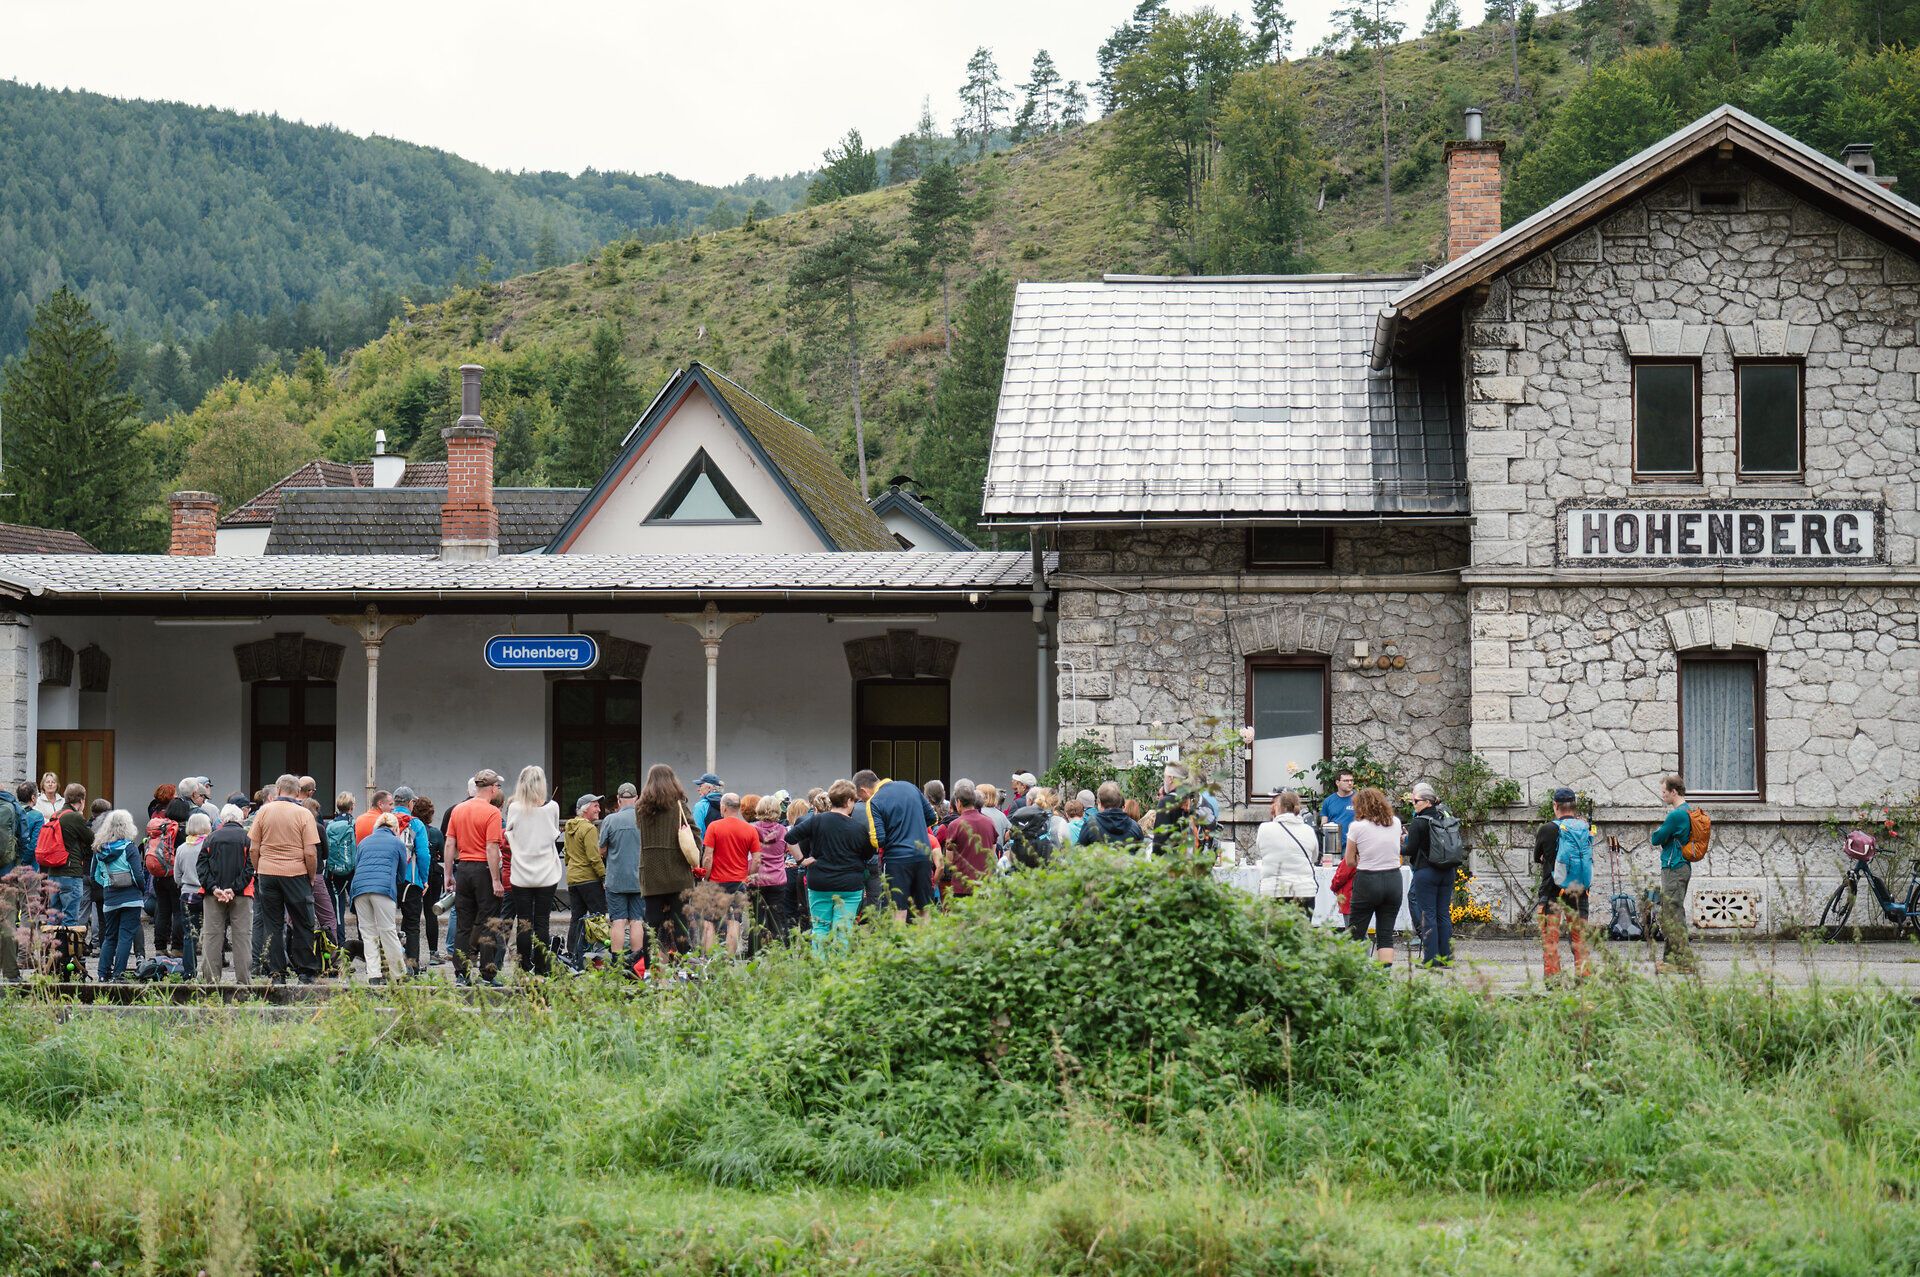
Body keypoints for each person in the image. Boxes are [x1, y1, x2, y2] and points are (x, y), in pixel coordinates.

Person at [251, 774, 322, 983]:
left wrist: (259, 869)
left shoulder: (263, 812)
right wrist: (311, 876)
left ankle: (277, 973)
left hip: (267, 873)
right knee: (303, 922)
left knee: (272, 924)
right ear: (298, 791)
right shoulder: (304, 814)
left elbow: (254, 848)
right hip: (296, 873)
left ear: (278, 789)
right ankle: (305, 971)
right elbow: (310, 852)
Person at [789, 780, 873, 954]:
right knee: (843, 930)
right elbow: (867, 855)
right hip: (849, 886)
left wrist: (801, 860)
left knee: (820, 928)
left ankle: (820, 967)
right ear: (848, 801)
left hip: (819, 882)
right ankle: (839, 967)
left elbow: (790, 838)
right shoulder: (858, 828)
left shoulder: (816, 821)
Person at [854, 769, 939, 922]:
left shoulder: (874, 801)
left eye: (861, 798)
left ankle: (898, 938)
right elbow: (933, 818)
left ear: (863, 790)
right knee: (924, 909)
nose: (863, 800)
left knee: (898, 910)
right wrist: (913, 828)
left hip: (896, 860)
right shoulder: (910, 787)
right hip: (923, 855)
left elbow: (878, 840)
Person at [447, 768, 507, 985]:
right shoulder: (492, 812)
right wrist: (496, 879)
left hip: (463, 868)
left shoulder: (458, 809)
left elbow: (450, 843)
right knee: (489, 923)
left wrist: (448, 874)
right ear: (492, 788)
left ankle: (461, 974)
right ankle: (487, 974)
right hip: (483, 870)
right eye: (497, 786)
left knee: (463, 925)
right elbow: (491, 847)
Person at [503, 765, 563, 977]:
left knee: (524, 922)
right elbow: (553, 833)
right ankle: (542, 968)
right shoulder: (553, 807)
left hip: (521, 872)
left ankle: (523, 968)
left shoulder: (515, 808)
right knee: (542, 921)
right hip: (547, 873)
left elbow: (509, 833)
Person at [635, 768, 696, 964]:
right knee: (680, 922)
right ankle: (683, 964)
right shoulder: (679, 806)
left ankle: (649, 966)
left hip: (651, 873)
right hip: (678, 873)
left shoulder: (641, 808)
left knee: (651, 922)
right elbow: (695, 833)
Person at [1535, 787, 1593, 982]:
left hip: (1552, 891)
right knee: (1580, 939)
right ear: (1574, 806)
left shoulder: (1547, 829)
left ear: (1555, 805)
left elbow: (1537, 857)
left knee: (1550, 939)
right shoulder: (1584, 828)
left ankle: (1554, 983)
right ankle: (1584, 981)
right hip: (1579, 890)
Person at [1343, 786, 1404, 966]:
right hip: (1393, 879)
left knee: (1356, 932)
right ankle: (1384, 976)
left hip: (1368, 879)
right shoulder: (1395, 822)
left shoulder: (1357, 827)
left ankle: (1355, 973)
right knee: (1385, 934)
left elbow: (1349, 860)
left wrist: (1361, 858)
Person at [1402, 782, 1460, 969]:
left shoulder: (1419, 822)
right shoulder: (1445, 816)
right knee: (1443, 914)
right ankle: (1446, 958)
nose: (1414, 804)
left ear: (1427, 802)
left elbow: (1410, 850)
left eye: (1416, 801)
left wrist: (1397, 844)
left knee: (1428, 915)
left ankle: (1431, 960)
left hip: (1426, 872)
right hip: (1447, 871)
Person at [350, 811, 409, 985]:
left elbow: (357, 865)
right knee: (388, 931)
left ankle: (373, 976)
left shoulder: (364, 842)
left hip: (359, 889)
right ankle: (398, 974)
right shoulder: (397, 843)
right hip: (382, 889)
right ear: (395, 828)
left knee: (368, 934)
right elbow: (401, 874)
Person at [1650, 775, 1700, 975]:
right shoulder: (1688, 810)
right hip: (1680, 866)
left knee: (1673, 914)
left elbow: (1656, 838)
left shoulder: (1676, 815)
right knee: (1671, 912)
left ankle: (1684, 962)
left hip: (1674, 867)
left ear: (1673, 791)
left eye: (1664, 792)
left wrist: (1660, 832)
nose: (1662, 795)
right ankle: (1671, 960)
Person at [90, 810, 148, 981]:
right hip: (131, 898)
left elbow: (94, 876)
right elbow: (138, 875)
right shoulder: (129, 847)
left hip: (110, 898)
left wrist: (107, 884)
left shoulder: (99, 849)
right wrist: (141, 890)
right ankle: (118, 974)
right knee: (126, 936)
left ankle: (102, 974)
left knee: (110, 936)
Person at [199, 804, 254, 983]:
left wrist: (214, 888)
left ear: (223, 819)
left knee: (212, 937)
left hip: (213, 895)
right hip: (242, 894)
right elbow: (250, 868)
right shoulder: (247, 838)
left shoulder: (210, 838)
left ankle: (211, 983)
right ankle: (244, 982)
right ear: (240, 819)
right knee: (242, 937)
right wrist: (235, 888)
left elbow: (202, 867)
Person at [700, 793, 757, 955]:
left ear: (723, 807)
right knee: (734, 921)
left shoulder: (714, 827)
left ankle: (709, 960)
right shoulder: (750, 829)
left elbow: (708, 857)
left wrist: (705, 877)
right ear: (738, 808)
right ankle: (729, 958)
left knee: (709, 921)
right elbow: (757, 860)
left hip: (716, 881)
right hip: (738, 882)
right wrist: (747, 876)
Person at [599, 784, 646, 962]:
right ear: (636, 798)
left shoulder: (610, 820)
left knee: (618, 921)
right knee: (636, 921)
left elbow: (601, 850)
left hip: (616, 879)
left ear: (618, 800)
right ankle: (637, 962)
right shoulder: (644, 819)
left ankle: (617, 962)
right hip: (638, 879)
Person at [1255, 789, 1319, 913]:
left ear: (1278, 807)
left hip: (1273, 889)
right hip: (1304, 889)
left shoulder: (1264, 828)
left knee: (1274, 925)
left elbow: (1260, 852)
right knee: (1302, 925)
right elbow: (1314, 858)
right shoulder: (1308, 830)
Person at [387, 787, 429, 973]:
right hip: (410, 880)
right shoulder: (416, 824)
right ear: (410, 803)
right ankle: (412, 967)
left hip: (387, 879)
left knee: (386, 925)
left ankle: (390, 966)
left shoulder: (384, 820)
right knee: (411, 925)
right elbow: (423, 854)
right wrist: (424, 879)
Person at [563, 793, 607, 963]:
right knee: (598, 917)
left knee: (576, 917)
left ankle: (572, 953)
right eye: (595, 806)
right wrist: (603, 876)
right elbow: (594, 857)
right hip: (589, 879)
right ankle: (599, 955)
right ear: (585, 809)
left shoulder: (569, 826)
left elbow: (568, 855)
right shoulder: (589, 829)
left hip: (573, 878)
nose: (599, 809)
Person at [43, 784, 93, 926]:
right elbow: (92, 840)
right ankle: (66, 942)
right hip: (70, 873)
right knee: (70, 920)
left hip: (53, 873)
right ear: (81, 800)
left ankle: (52, 941)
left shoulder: (55, 815)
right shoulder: (75, 817)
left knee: (53, 918)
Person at [937, 783, 996, 898]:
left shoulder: (955, 825)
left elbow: (949, 859)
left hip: (962, 885)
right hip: (985, 883)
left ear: (958, 802)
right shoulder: (989, 822)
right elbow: (992, 853)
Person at [749, 795, 792, 947]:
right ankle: (782, 950)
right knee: (778, 918)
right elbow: (787, 850)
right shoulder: (783, 831)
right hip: (777, 879)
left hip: (756, 879)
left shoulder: (751, 830)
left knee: (756, 920)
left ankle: (755, 952)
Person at [410, 796, 446, 964]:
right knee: (431, 914)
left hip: (414, 874)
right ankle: (433, 953)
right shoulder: (435, 833)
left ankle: (410, 953)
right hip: (432, 875)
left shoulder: (410, 829)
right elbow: (442, 855)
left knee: (411, 915)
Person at [175, 811, 209, 976]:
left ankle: (189, 972)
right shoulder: (208, 846)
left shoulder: (182, 848)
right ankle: (210, 971)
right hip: (207, 894)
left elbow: (177, 877)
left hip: (187, 894)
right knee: (211, 933)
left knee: (189, 935)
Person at [323, 793, 357, 947]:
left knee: (338, 910)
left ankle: (340, 944)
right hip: (352, 871)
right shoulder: (354, 824)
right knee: (360, 909)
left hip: (333, 872)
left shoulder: (329, 825)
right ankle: (363, 944)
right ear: (352, 807)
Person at [1078, 782, 1146, 846]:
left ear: (1100, 803)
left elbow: (1079, 850)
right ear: (1120, 802)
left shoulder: (1090, 825)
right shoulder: (1135, 827)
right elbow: (1141, 851)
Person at [1319, 769, 1358, 857]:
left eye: (1351, 780)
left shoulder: (1359, 799)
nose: (1350, 783)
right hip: (1332, 846)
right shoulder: (1328, 801)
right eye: (1346, 781)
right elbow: (1323, 824)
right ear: (1337, 782)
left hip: (1353, 846)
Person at [16, 782, 44, 871]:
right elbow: (34, 844)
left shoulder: (12, 810)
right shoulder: (37, 816)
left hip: (11, 861)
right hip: (30, 864)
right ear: (33, 798)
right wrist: (24, 861)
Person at [975, 783, 1011, 848]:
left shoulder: (977, 813)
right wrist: (1004, 846)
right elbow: (1012, 833)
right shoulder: (1001, 815)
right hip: (997, 852)